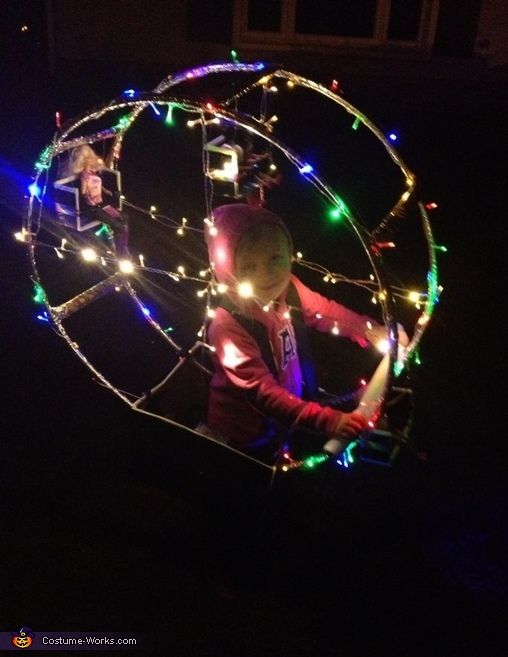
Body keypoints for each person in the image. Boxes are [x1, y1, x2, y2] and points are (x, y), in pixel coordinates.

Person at [204, 203, 406, 455]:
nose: (266, 274)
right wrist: (329, 421)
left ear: (288, 252)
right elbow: (263, 393)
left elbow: (328, 313)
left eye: (274, 259)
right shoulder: (228, 327)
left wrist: (370, 330)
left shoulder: (290, 288)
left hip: (289, 410)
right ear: (228, 270)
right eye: (249, 267)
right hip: (246, 436)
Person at [68, 145, 130, 258]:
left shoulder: (93, 173)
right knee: (118, 225)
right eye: (88, 161)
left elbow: (98, 185)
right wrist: (84, 194)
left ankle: (123, 249)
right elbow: (83, 193)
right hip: (94, 208)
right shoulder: (84, 176)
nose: (92, 162)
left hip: (101, 205)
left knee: (124, 217)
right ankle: (121, 253)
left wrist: (108, 191)